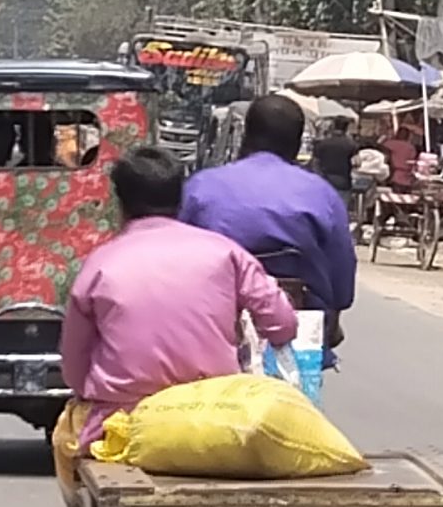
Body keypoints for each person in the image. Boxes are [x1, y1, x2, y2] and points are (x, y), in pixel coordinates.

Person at [56, 144, 298, 481]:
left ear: (120, 202)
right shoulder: (225, 252)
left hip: (123, 424)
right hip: (216, 415)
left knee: (65, 440)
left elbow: (74, 369)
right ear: (180, 199)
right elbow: (283, 324)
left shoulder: (100, 264)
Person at [181, 94, 357, 377]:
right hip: (296, 324)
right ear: (298, 143)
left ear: (246, 135)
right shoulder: (322, 194)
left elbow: (175, 256)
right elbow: (342, 280)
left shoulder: (202, 186)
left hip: (210, 322)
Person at [309, 116, 357, 196]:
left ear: (333, 126)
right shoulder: (351, 144)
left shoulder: (322, 143)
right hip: (343, 183)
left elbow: (315, 163)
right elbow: (357, 163)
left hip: (325, 181)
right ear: (346, 128)